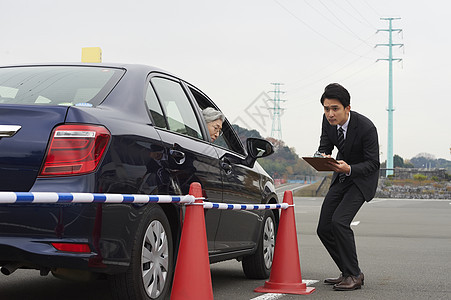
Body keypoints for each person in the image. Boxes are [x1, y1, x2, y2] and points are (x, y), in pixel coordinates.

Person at [316, 83, 380, 291]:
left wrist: (350, 168)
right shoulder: (327, 123)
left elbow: (373, 163)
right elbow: (324, 147)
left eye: (335, 109)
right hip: (341, 175)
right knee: (324, 227)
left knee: (339, 222)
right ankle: (347, 271)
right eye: (326, 109)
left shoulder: (366, 127)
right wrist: (323, 157)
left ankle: (354, 275)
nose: (330, 114)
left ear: (347, 108)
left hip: (361, 179)